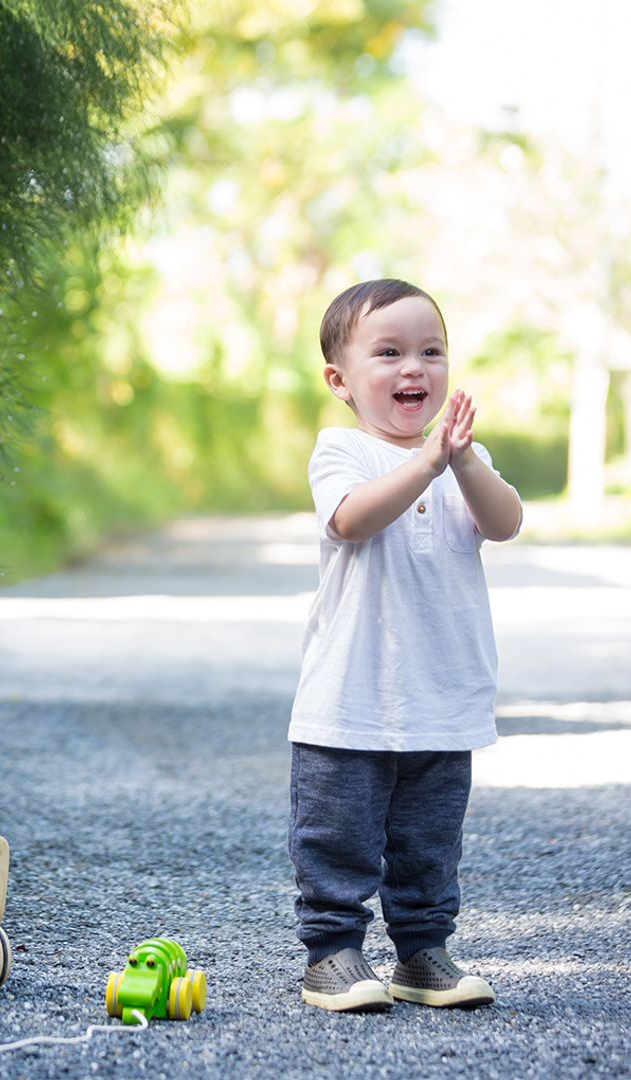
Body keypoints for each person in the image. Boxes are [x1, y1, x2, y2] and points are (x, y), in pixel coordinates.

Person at [287, 278, 522, 1012]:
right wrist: (426, 464)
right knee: (339, 837)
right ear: (341, 381)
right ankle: (333, 955)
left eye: (431, 351)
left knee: (428, 845)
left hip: (442, 699)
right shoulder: (342, 452)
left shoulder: (460, 462)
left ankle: (423, 953)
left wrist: (461, 461)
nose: (413, 368)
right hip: (350, 700)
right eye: (388, 353)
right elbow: (353, 521)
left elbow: (507, 521)